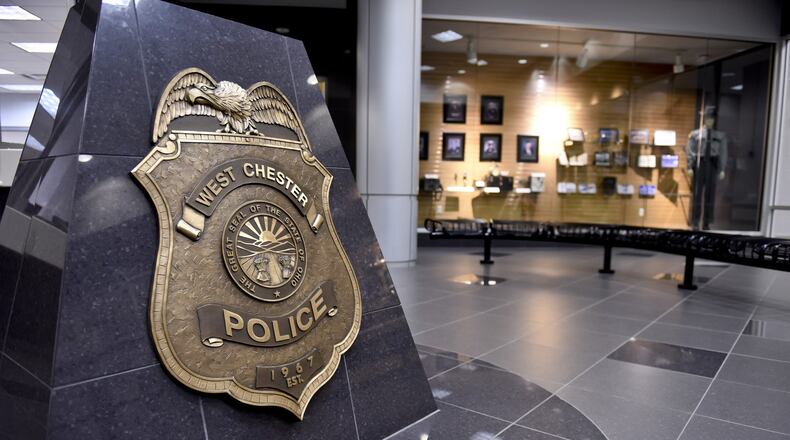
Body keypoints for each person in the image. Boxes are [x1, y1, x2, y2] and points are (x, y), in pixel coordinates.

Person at [687, 105, 728, 230]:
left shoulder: (720, 136)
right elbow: (690, 151)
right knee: (697, 194)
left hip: (712, 165)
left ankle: (707, 222)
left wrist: (722, 168)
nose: (710, 121)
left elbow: (723, 152)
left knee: (710, 194)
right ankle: (695, 221)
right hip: (700, 164)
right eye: (708, 118)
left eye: (712, 118)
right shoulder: (695, 134)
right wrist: (690, 166)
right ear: (704, 119)